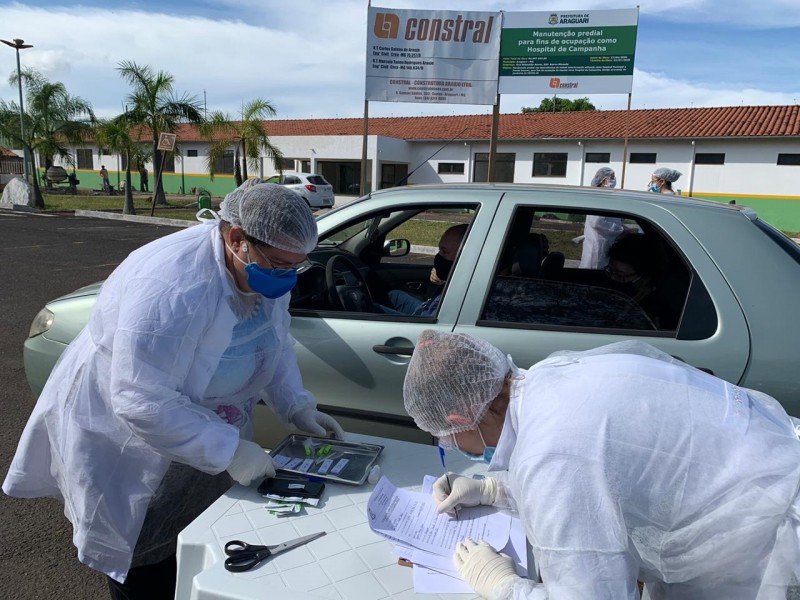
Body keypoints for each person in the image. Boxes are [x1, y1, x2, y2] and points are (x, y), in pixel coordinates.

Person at [3, 181, 344, 599]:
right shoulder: (172, 286)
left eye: (295, 266)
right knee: (147, 561)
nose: (285, 278)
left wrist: (296, 405)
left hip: (206, 426)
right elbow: (139, 399)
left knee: (200, 547)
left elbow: (271, 344)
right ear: (237, 238)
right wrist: (228, 450)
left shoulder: (256, 269)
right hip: (137, 440)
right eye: (278, 265)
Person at [403, 330, 800, 600]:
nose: (450, 445)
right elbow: (608, 474)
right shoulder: (550, 376)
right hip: (774, 464)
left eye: (443, 437)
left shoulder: (551, 455)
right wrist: (497, 489)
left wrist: (504, 586)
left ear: (459, 419)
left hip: (768, 544)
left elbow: (592, 594)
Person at [384, 223, 468, 316]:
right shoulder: (465, 274)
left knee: (368, 309)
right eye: (439, 250)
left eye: (445, 251)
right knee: (394, 296)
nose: (439, 256)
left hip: (425, 321)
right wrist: (444, 277)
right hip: (427, 309)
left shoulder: (466, 289)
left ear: (465, 255)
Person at [606, 233, 681, 329]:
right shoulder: (622, 299)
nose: (613, 278)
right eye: (610, 270)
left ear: (646, 276)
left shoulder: (654, 313)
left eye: (621, 275)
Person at [580, 167, 624, 269]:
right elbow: (597, 222)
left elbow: (611, 220)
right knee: (593, 273)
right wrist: (619, 230)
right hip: (597, 246)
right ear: (604, 181)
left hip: (603, 243)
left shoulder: (606, 197)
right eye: (612, 178)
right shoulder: (599, 198)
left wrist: (624, 229)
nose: (614, 180)